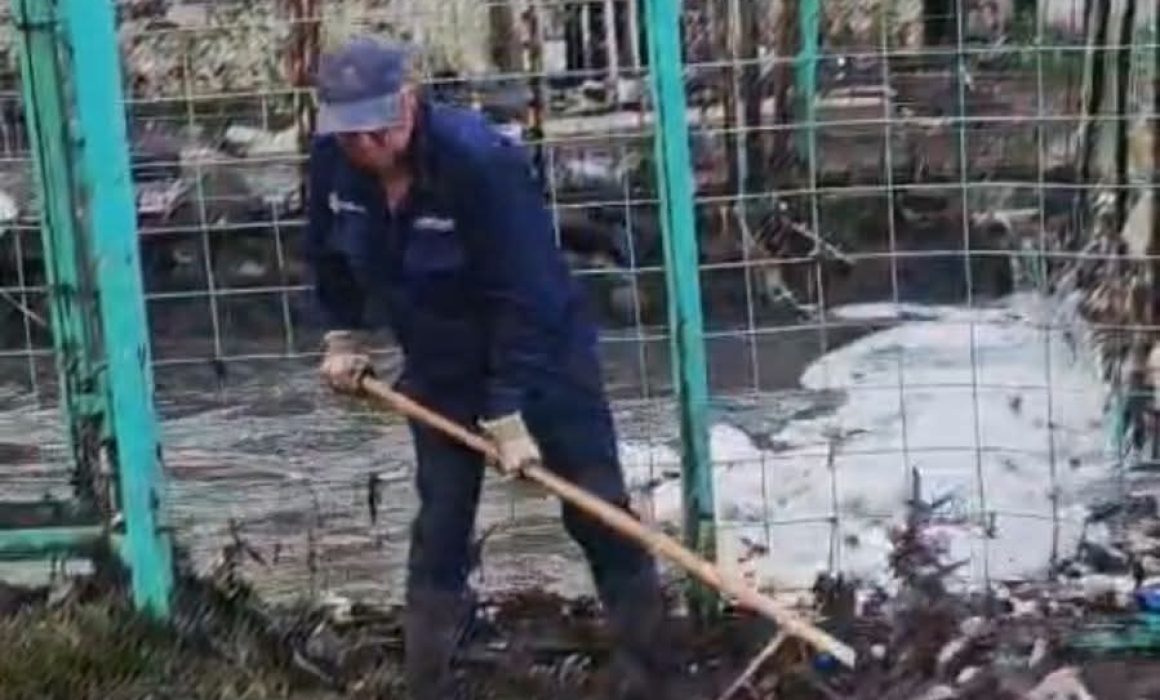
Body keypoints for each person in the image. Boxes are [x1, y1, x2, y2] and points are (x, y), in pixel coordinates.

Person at [305, 37, 674, 700]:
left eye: (379, 126)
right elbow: (327, 255)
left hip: (544, 359)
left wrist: (508, 408)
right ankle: (431, 681)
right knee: (441, 521)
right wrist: (342, 334)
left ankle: (650, 670)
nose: (367, 145)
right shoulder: (333, 164)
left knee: (594, 507)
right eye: (351, 131)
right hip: (439, 365)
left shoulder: (479, 161)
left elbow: (524, 293)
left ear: (409, 101)